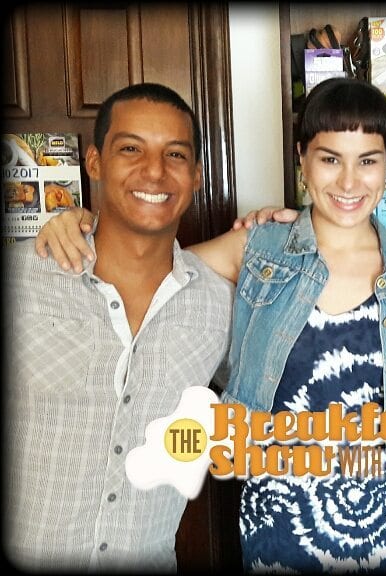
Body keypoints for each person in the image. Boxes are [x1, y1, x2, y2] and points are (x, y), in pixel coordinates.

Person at [33, 77, 386, 573]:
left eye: (368, 161)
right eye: (330, 159)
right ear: (302, 159)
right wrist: (76, 223)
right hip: (281, 531)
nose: (349, 182)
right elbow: (144, 268)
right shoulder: (257, 250)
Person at [2, 82, 234, 572]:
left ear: (196, 175)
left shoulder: (218, 305)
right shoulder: (22, 279)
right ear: (95, 162)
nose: (155, 170)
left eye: (175, 154)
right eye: (131, 149)